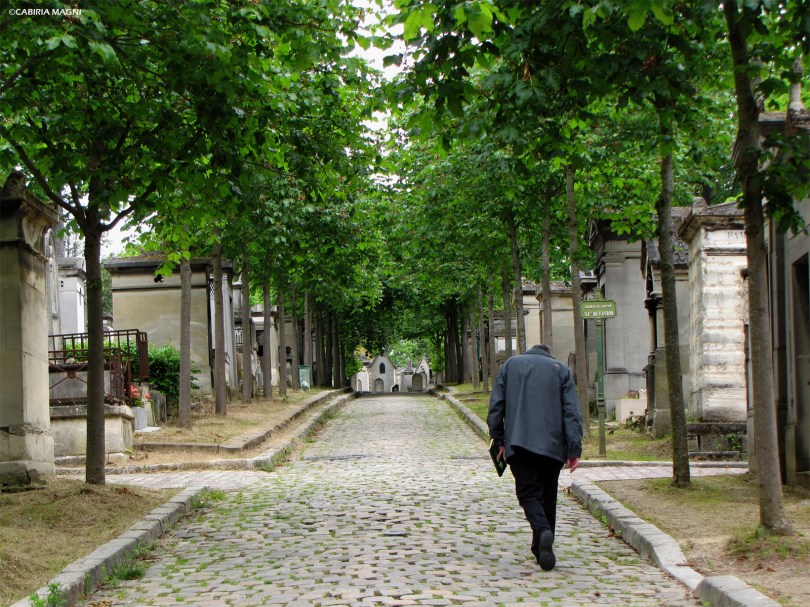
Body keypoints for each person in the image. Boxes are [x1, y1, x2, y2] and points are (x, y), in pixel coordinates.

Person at [487, 343, 583, 571]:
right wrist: (574, 449)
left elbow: (496, 405)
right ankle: (541, 549)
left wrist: (498, 438)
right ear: (549, 353)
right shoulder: (560, 370)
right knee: (548, 495)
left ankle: (542, 532)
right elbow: (572, 411)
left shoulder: (511, 365)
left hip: (519, 442)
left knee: (528, 492)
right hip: (553, 445)